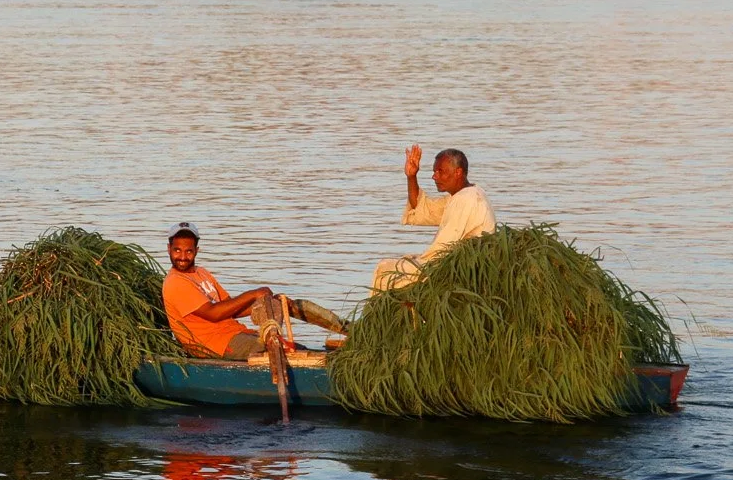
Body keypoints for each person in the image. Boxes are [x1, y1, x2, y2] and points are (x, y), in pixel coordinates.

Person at [161, 222, 344, 360]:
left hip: (234, 334)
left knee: (297, 348)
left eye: (188, 251)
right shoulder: (176, 282)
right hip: (215, 344)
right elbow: (214, 314)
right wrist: (253, 294)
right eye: (177, 250)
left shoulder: (201, 272)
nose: (183, 257)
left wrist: (265, 304)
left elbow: (231, 309)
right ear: (169, 249)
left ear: (197, 251)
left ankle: (342, 352)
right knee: (285, 352)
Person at [373, 145, 496, 291]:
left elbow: (443, 249)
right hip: (458, 263)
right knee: (403, 261)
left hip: (458, 269)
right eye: (434, 171)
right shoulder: (465, 194)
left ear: (458, 172)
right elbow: (423, 209)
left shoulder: (467, 199)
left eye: (440, 171)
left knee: (384, 269)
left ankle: (376, 313)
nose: (434, 176)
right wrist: (411, 176)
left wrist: (420, 262)